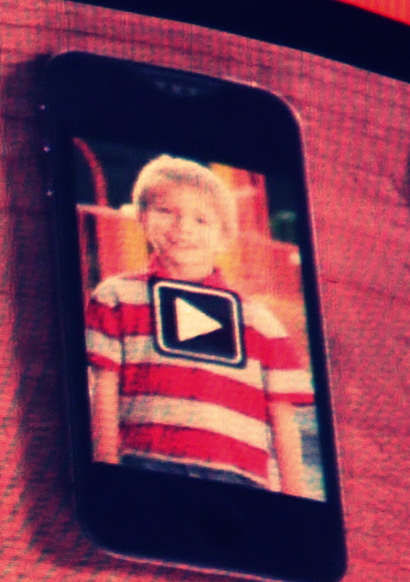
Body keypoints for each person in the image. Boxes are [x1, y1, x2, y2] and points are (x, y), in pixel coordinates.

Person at [82, 155, 322, 495]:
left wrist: (294, 498)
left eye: (201, 219)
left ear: (224, 238)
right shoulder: (115, 297)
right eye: (166, 211)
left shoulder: (262, 325)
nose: (183, 227)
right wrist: (105, 469)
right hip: (143, 466)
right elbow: (103, 392)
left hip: (239, 483)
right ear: (142, 217)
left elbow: (283, 422)